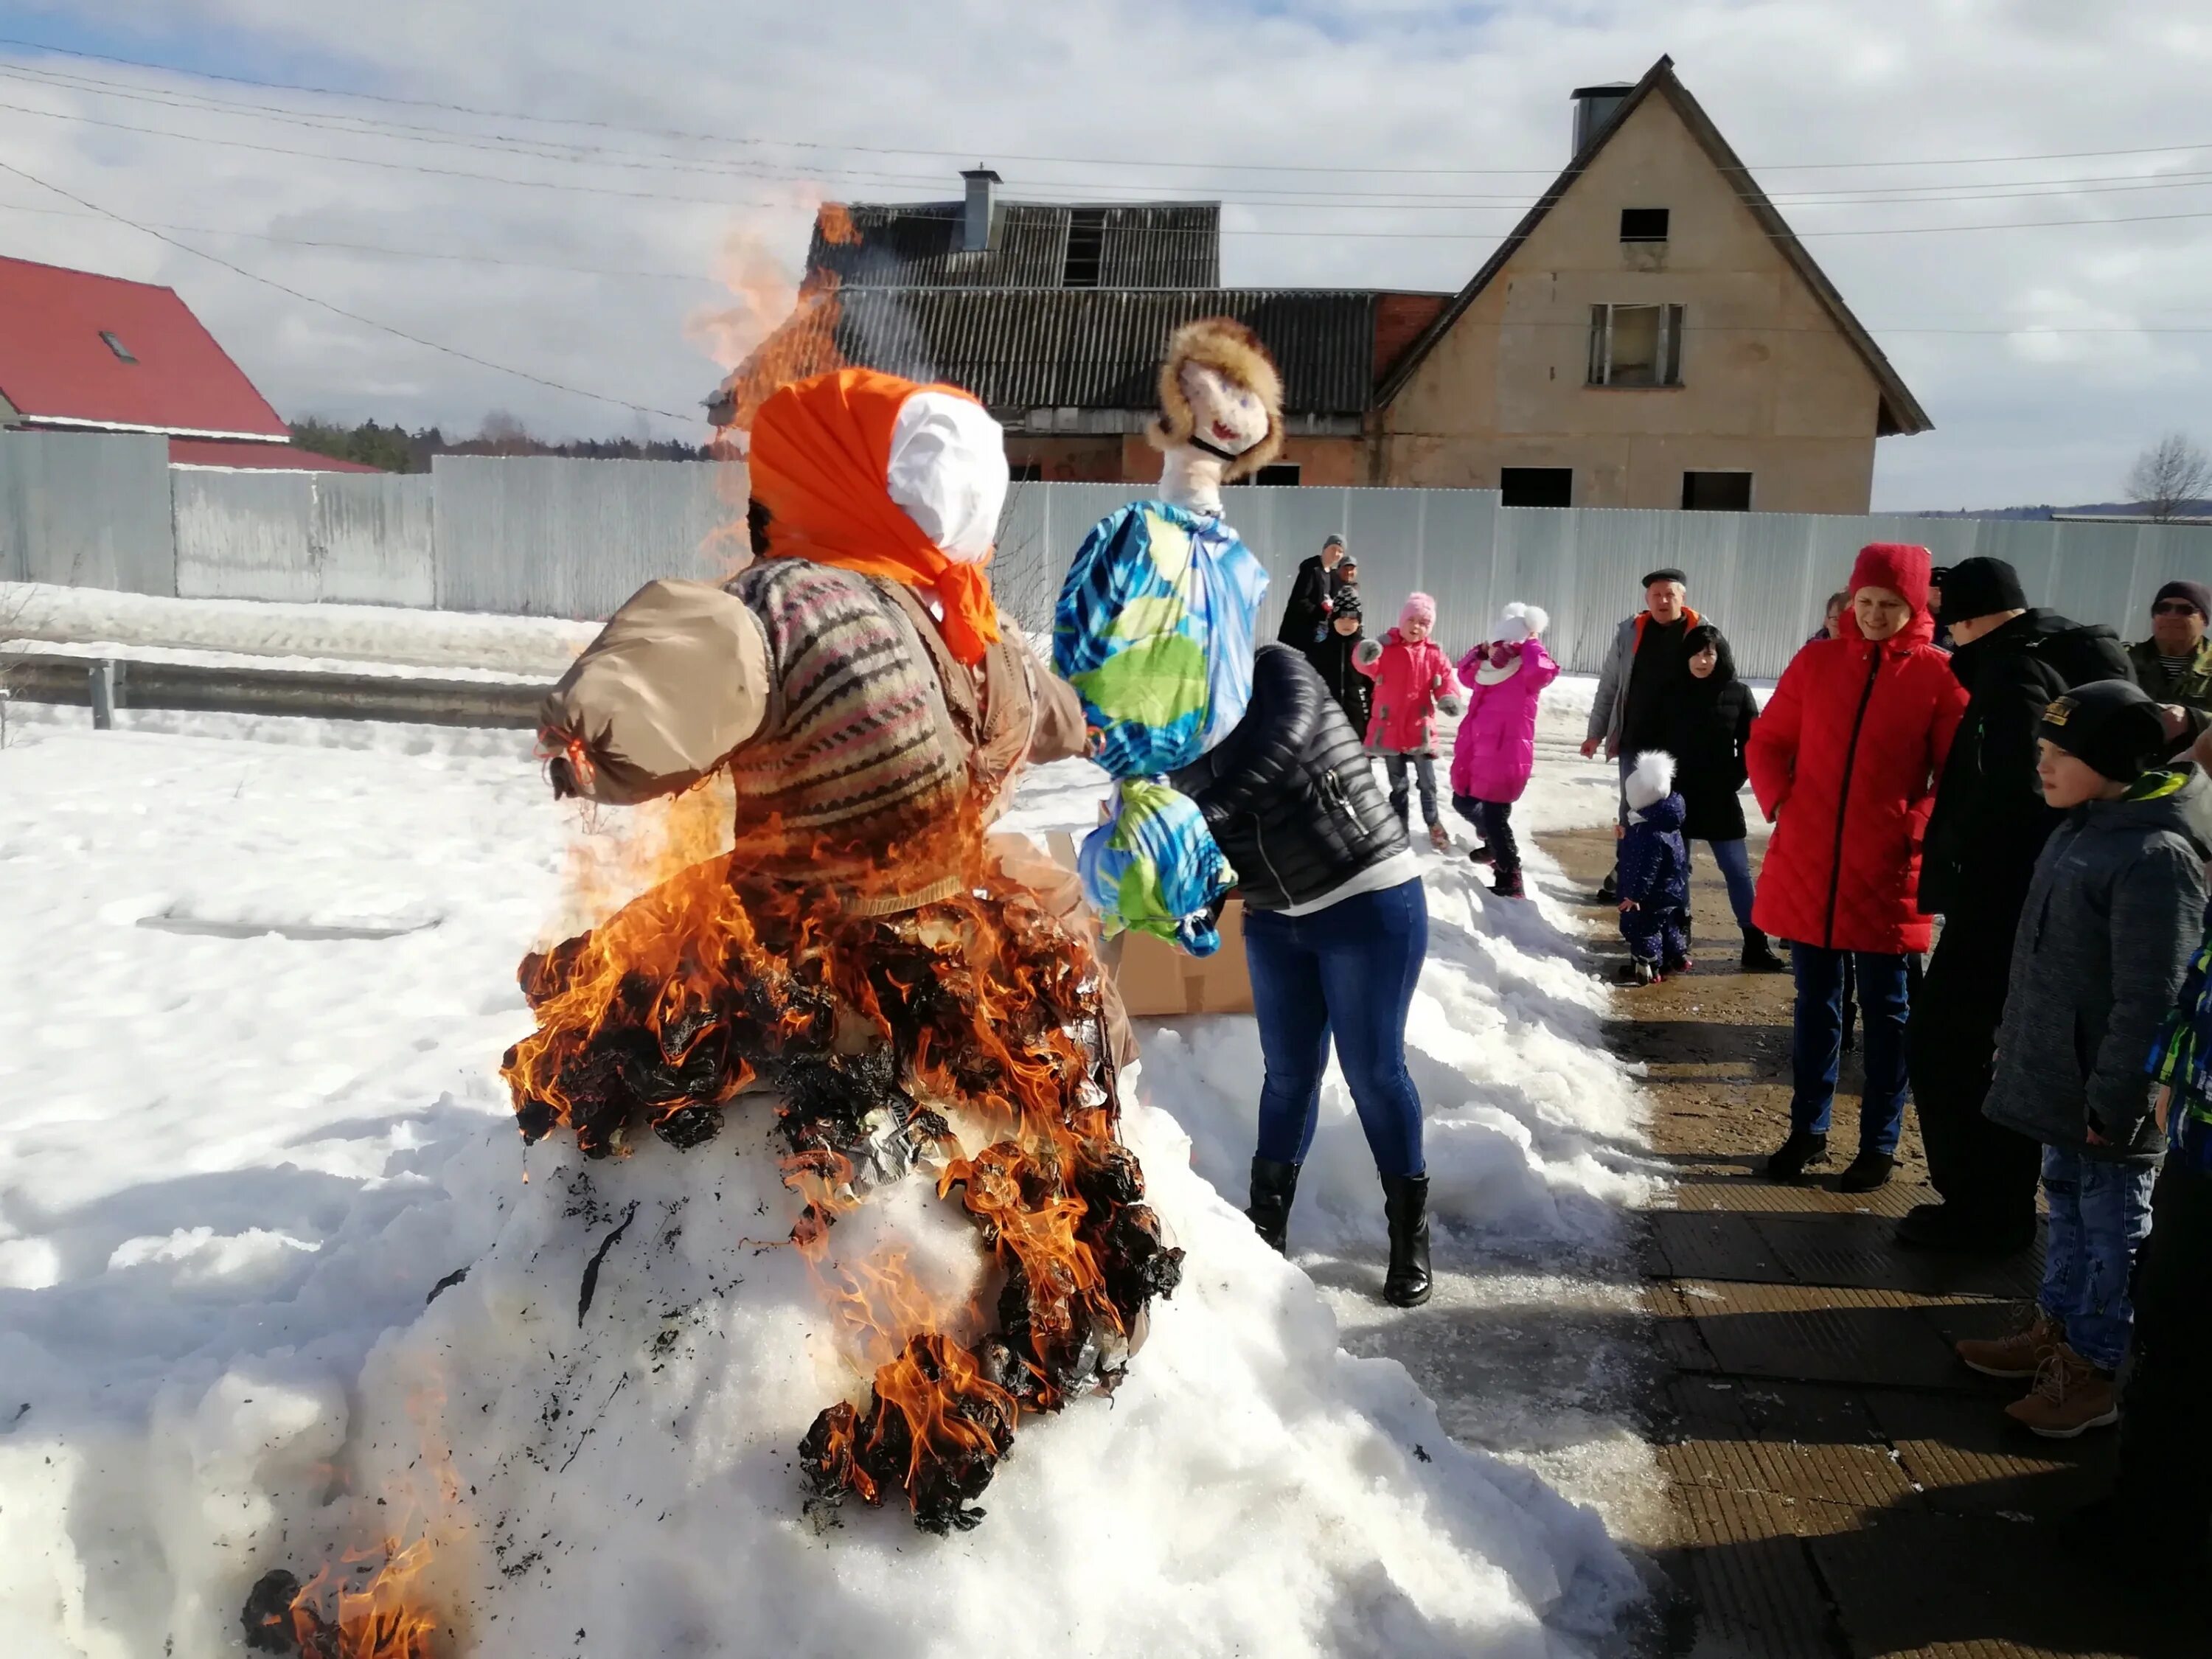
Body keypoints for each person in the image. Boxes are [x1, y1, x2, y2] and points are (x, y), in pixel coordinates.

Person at [1954, 681, 2208, 1438]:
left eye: (2060, 754)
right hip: (2061, 1080)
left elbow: (2151, 993)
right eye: (2042, 750)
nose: (2044, 766)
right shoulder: (2083, 827)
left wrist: (2117, 1097)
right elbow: (2041, 962)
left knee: (2111, 1227)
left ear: (2111, 761)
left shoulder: (2157, 856)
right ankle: (2055, 1330)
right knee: (2063, 1208)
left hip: (2107, 1096)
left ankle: (2096, 1367)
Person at [1169, 644, 1434, 1306]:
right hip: (1275, 921)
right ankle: (1267, 1230)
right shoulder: (1175, 733)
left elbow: (1276, 755)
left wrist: (1192, 819)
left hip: (1366, 900)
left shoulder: (1276, 670)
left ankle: (1410, 1237)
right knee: (1287, 1077)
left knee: (1374, 1071)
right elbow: (1210, 848)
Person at [1899, 557, 2135, 1253]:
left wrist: (1979, 869)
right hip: (2016, 898)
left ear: (1966, 617)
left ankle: (1983, 1211)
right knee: (1981, 1051)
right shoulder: (2041, 652)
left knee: (1951, 1050)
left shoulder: (2014, 671)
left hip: (2005, 902)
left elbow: (2023, 793)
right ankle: (1987, 1206)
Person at [1747, 543, 1966, 1192]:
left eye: (1890, 605)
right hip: (1810, 863)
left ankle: (1879, 1142)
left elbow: (1953, 776)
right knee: (1815, 1006)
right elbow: (1769, 740)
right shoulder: (1817, 661)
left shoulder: (1939, 675)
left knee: (1888, 1013)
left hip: (1888, 870)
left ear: (1916, 606)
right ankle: (1807, 1131)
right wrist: (1783, 798)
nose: (1874, 615)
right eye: (1866, 602)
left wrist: (1915, 827)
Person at [1664, 622, 1785, 972]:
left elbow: (1754, 743)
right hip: (1677, 795)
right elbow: (1652, 740)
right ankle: (1678, 938)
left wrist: (1734, 778)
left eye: (1710, 653)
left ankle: (1754, 942)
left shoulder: (1738, 693)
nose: (1703, 660)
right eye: (1697, 653)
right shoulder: (1671, 692)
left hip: (1719, 795)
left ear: (1720, 656)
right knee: (1677, 869)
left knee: (1736, 869)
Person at [1583, 568, 1705, 904]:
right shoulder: (1630, 633)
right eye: (1656, 595)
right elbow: (1610, 685)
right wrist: (1595, 733)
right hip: (1636, 741)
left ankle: (1676, 882)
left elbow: (1721, 689)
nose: (1663, 601)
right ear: (1647, 599)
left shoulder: (1703, 634)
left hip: (1681, 745)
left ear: (1683, 597)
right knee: (1632, 813)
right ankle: (1627, 878)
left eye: (1670, 595)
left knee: (1679, 814)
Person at [1450, 603, 1557, 900]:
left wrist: (1531, 644)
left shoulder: (1526, 672)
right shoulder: (1486, 672)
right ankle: (1494, 845)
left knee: (1496, 815)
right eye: (1498, 644)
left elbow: (1544, 671)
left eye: (1507, 644)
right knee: (1463, 802)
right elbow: (1464, 674)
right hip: (1476, 750)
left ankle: (1510, 877)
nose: (1501, 651)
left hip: (1507, 753)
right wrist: (1479, 651)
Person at [1357, 591, 1464, 852]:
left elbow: (1446, 678)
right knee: (1399, 785)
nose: (1416, 627)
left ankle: (1433, 823)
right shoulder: (1387, 649)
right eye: (1411, 620)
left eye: (1423, 623)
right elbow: (1364, 665)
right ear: (1402, 621)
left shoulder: (1433, 654)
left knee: (1428, 783)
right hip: (1390, 727)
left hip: (1420, 729)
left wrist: (1448, 696)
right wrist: (1367, 652)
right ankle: (1398, 826)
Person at [1615, 751, 1691, 986]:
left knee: (1645, 930)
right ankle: (1678, 956)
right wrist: (1626, 836)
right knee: (1668, 924)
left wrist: (1634, 896)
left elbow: (1645, 867)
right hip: (1672, 889)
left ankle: (1650, 965)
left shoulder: (1648, 833)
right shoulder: (1667, 820)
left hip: (1651, 895)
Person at [2127, 580, 2212, 715]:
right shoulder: (2121, 658)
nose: (2172, 616)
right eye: (2163, 609)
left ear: (2204, 620)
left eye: (2185, 610)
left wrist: (2192, 721)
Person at [1310, 591, 1373, 737]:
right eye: (1342, 617)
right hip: (1327, 716)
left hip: (1359, 717)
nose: (1346, 623)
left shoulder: (1366, 649)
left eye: (1352, 618)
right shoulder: (1320, 650)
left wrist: (1370, 713)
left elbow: (1375, 685)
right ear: (1333, 619)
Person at [1276, 532, 1346, 653]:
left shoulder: (1333, 576)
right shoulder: (1311, 569)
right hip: (1301, 634)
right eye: (1333, 549)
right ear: (1325, 548)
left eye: (1340, 551)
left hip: (1320, 632)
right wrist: (1322, 610)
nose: (1336, 554)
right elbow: (1299, 600)